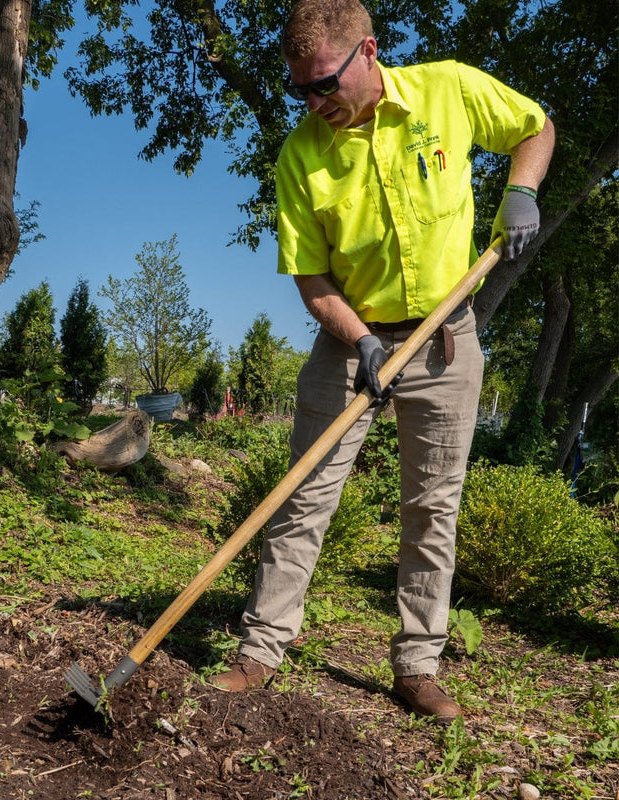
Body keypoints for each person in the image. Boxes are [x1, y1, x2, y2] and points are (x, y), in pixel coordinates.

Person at [208, 0, 554, 724]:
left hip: (444, 339)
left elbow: (535, 127)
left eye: (323, 84)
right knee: (304, 495)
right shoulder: (301, 154)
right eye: (298, 89)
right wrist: (362, 339)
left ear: (369, 51)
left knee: (433, 508)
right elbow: (311, 278)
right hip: (348, 342)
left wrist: (520, 190)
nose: (313, 102)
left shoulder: (447, 90)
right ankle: (260, 651)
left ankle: (418, 665)